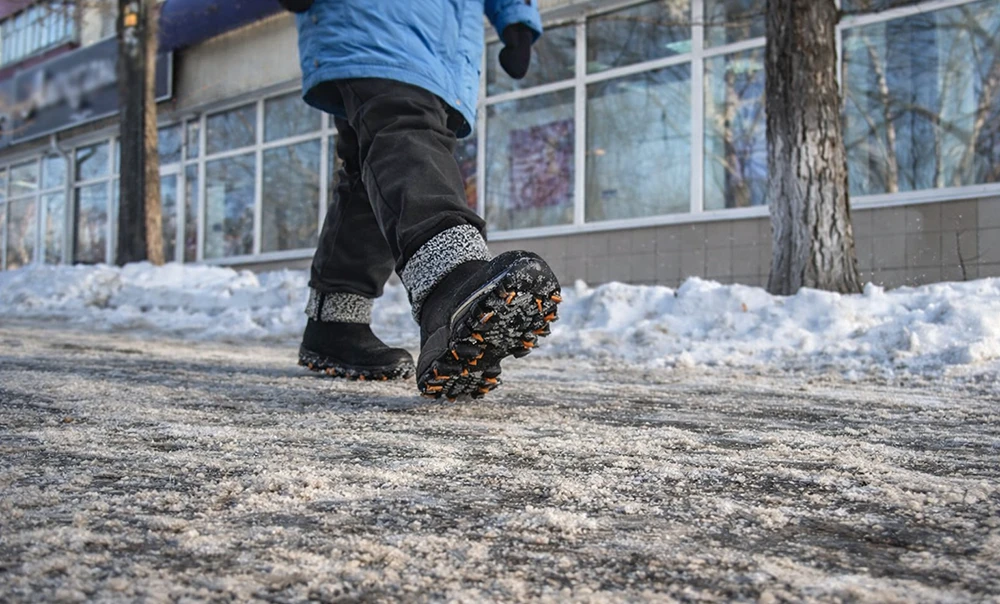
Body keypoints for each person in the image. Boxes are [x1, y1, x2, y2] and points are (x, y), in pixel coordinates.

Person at [279, 0, 562, 399]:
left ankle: (336, 317)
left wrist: (514, 15)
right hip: (374, 19)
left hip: (442, 41)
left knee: (369, 172)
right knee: (403, 131)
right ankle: (450, 282)